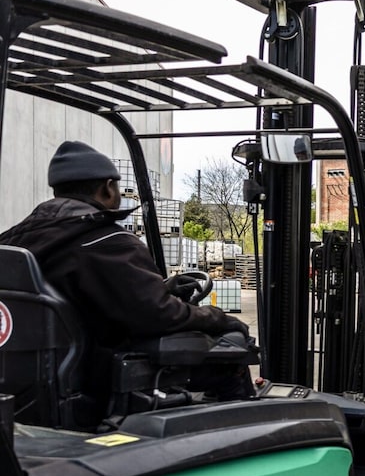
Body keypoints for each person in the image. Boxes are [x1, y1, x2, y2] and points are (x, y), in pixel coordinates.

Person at [0, 141, 253, 404]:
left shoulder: (16, 240)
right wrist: (218, 318)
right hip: (100, 378)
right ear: (108, 188)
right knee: (231, 343)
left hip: (29, 385)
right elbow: (159, 315)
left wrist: (163, 288)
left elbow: (86, 295)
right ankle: (252, 436)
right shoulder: (106, 241)